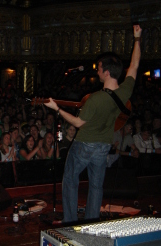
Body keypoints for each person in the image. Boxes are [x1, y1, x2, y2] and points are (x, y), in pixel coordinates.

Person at [44, 25, 142, 223]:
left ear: (106, 72)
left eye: (99, 69)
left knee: (70, 180)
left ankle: (71, 221)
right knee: (97, 186)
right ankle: (91, 221)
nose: (97, 72)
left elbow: (78, 123)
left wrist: (57, 109)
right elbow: (134, 65)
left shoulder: (95, 99)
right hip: (103, 146)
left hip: (84, 144)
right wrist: (137, 39)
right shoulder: (124, 92)